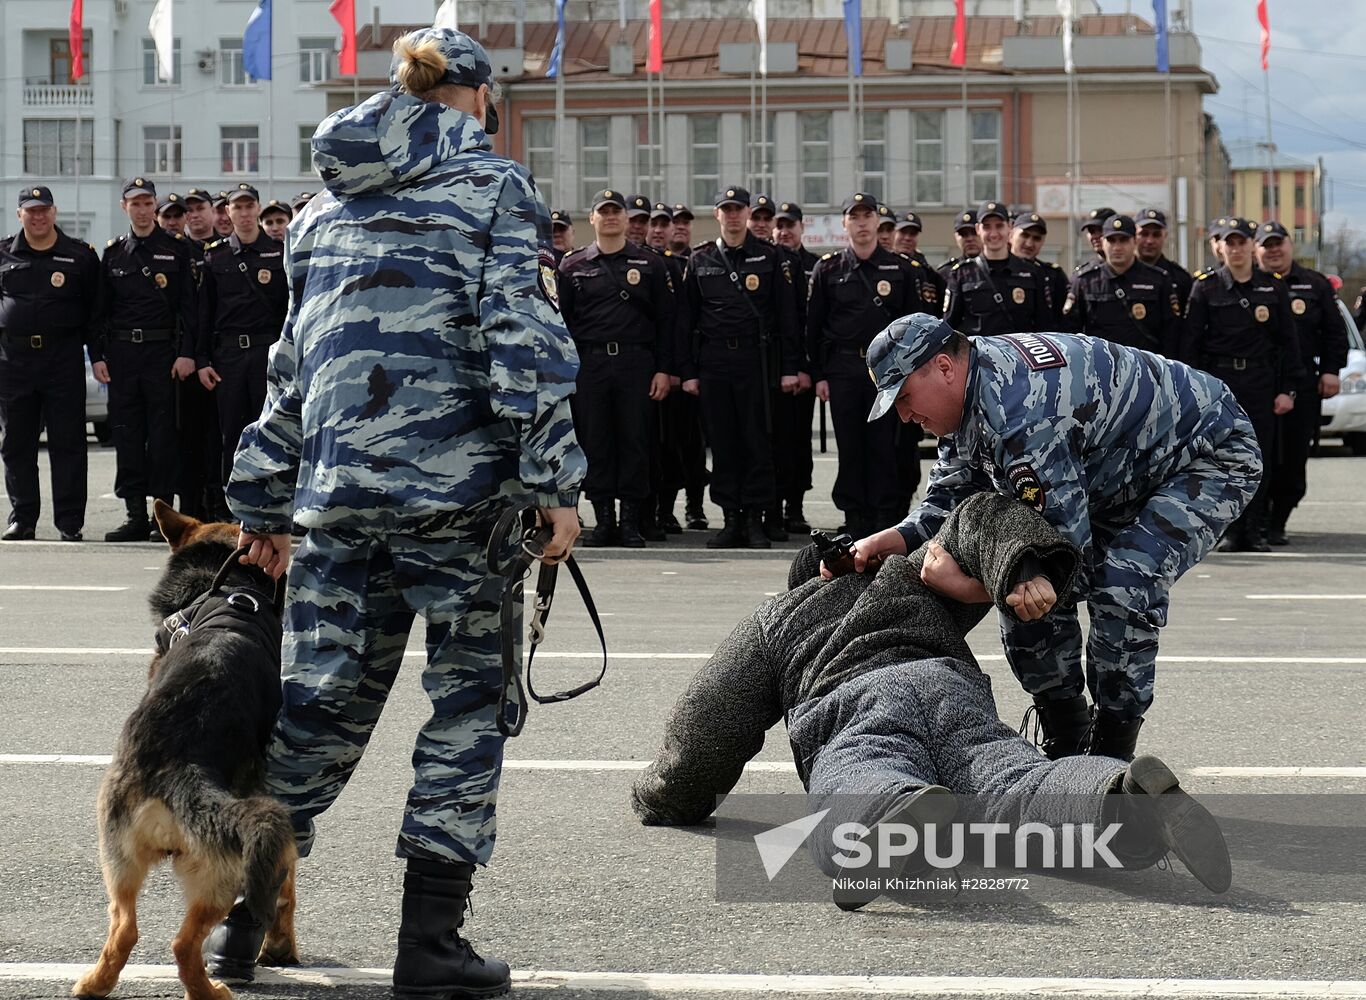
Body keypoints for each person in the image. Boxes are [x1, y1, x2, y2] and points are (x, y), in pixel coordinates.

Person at [210, 28, 584, 999]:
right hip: (460, 506)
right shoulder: (493, 192)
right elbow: (521, 339)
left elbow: (293, 368)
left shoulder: (320, 212)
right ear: (471, 98)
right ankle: (431, 944)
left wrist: (260, 498)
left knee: (314, 715)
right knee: (465, 711)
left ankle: (237, 930)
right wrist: (553, 482)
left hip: (338, 506)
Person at [632, 492, 1234, 903]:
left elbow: (704, 729)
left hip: (854, 707)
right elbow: (978, 516)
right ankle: (1120, 800)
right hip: (948, 689)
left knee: (860, 772)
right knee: (1013, 783)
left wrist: (661, 796)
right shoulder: (905, 572)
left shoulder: (777, 621)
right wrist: (1016, 569)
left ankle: (888, 820)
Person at [847, 313, 1261, 762]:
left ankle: (1109, 756)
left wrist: (968, 588)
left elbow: (1065, 561)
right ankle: (1066, 741)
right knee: (1020, 576)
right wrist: (885, 541)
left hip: (1205, 455)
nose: (905, 416)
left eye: (904, 397)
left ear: (944, 368)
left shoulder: (1022, 413)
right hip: (1117, 472)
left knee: (1121, 584)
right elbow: (946, 501)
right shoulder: (965, 397)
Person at [678, 185, 798, 549]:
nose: (732, 215)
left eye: (738, 209)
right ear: (717, 215)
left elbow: (788, 317)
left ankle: (755, 520)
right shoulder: (700, 260)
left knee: (757, 441)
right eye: (725, 209)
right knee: (724, 443)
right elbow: (685, 321)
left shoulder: (772, 257)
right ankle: (731, 519)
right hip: (714, 361)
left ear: (747, 213)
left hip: (756, 361)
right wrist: (688, 372)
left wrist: (790, 367)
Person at [806, 192, 927, 538]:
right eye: (854, 217)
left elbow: (914, 327)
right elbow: (813, 328)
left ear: (877, 222)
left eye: (867, 216)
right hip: (843, 369)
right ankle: (854, 514)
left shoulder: (900, 269)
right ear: (844, 223)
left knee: (883, 446)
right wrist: (819, 376)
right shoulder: (827, 269)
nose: (861, 223)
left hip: (887, 373)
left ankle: (884, 517)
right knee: (850, 445)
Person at [558, 189, 672, 547]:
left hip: (636, 363)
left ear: (625, 219)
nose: (610, 217)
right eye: (602, 212)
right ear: (591, 219)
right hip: (589, 365)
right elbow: (562, 322)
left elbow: (668, 323)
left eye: (616, 212)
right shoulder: (572, 265)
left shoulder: (650, 264)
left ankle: (630, 522)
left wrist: (664, 369)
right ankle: (603, 518)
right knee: (596, 441)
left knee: (635, 440)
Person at [1183, 217, 1303, 553]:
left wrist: (1287, 389)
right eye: (1229, 242)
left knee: (1259, 457)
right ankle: (1232, 530)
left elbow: (1289, 344)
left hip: (1262, 383)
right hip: (1221, 384)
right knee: (1223, 459)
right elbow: (1191, 345)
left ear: (1252, 245)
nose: (1236, 249)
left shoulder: (1273, 287)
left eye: (1242, 242)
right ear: (1220, 246)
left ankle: (1255, 528)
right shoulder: (1205, 287)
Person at [98, 176, 199, 542]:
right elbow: (100, 312)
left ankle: (163, 516)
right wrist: (98, 356)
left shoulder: (176, 249)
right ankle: (134, 516)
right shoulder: (113, 254)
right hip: (123, 356)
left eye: (146, 203)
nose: (141, 210)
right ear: (124, 207)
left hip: (162, 356)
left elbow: (190, 308)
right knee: (126, 436)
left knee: (162, 438)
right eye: (134, 203)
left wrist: (187, 352)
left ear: (154, 207)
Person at [0, 185, 101, 542]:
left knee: (69, 442)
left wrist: (99, 357)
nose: (38, 216)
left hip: (62, 358)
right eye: (31, 210)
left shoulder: (80, 256)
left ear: (54, 213)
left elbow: (96, 313)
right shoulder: (3, 253)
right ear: (19, 215)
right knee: (16, 442)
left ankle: (69, 521)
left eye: (44, 210)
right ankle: (23, 517)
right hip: (14, 361)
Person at [1254, 221, 1349, 544]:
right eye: (1266, 245)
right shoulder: (1247, 284)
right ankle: (1258, 521)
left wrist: (1332, 370)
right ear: (1257, 250)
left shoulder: (1315, 284)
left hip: (1302, 383)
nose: (1274, 249)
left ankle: (1279, 519)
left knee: (1294, 459)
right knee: (1257, 456)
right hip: (1258, 383)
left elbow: (1335, 333)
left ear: (1290, 246)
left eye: (1278, 242)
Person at [195, 182, 290, 492]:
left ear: (258, 210)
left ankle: (274, 504)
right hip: (230, 357)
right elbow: (205, 313)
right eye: (238, 207)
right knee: (233, 433)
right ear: (228, 212)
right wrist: (202, 359)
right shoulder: (216, 256)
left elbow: (289, 310)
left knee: (273, 431)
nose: (245, 213)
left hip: (268, 353)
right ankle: (235, 507)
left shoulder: (278, 252)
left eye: (250, 206)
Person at [749, 193, 813, 542]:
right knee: (769, 442)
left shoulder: (813, 264)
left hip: (795, 367)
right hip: (765, 366)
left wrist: (803, 367)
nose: (782, 231)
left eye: (789, 225)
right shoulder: (770, 262)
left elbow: (807, 321)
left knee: (796, 443)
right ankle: (771, 508)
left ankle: (795, 507)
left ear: (801, 228)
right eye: (779, 225)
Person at [1062, 214, 1182, 356]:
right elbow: (1069, 333)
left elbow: (1172, 332)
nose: (1117, 247)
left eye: (1123, 240)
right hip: (1100, 368)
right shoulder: (1085, 281)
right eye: (1111, 240)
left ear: (1135, 241)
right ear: (1102, 242)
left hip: (1145, 368)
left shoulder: (1158, 280)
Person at [942, 202, 1052, 336]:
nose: (993, 234)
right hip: (980, 355)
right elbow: (950, 326)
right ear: (978, 229)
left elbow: (1044, 326)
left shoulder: (1032, 272)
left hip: (1018, 354)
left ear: (1010, 227)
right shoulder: (961, 273)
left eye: (999, 226)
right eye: (987, 227)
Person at [1009, 211, 1068, 325]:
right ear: (1011, 236)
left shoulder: (1053, 275)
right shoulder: (996, 270)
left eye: (1036, 238)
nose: (1029, 243)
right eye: (1025, 235)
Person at [1134, 208, 1194, 314]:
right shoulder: (1123, 275)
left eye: (1156, 235)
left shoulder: (1180, 278)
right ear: (1134, 236)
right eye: (1144, 234)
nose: (1150, 241)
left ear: (1165, 235)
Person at [937, 209, 980, 280]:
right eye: (963, 234)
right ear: (955, 237)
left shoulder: (995, 267)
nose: (969, 239)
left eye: (974, 233)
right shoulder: (946, 272)